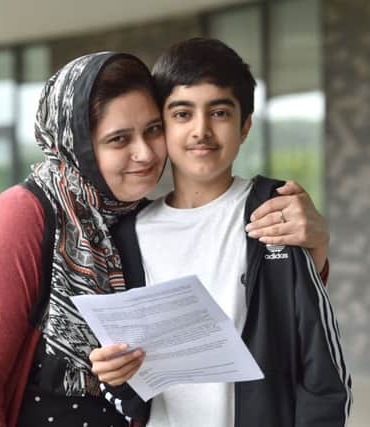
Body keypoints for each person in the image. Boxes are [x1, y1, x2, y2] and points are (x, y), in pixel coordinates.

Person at [0, 51, 329, 427]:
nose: (145, 154)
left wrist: (315, 251)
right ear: (78, 145)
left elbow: (252, 311)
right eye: (118, 140)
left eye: (151, 130)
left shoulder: (125, 220)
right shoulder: (17, 218)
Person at [92, 38, 352, 427]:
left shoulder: (274, 212)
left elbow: (323, 370)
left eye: (219, 112)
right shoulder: (127, 234)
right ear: (161, 126)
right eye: (182, 114)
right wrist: (114, 374)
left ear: (245, 126)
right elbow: (126, 389)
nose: (201, 130)